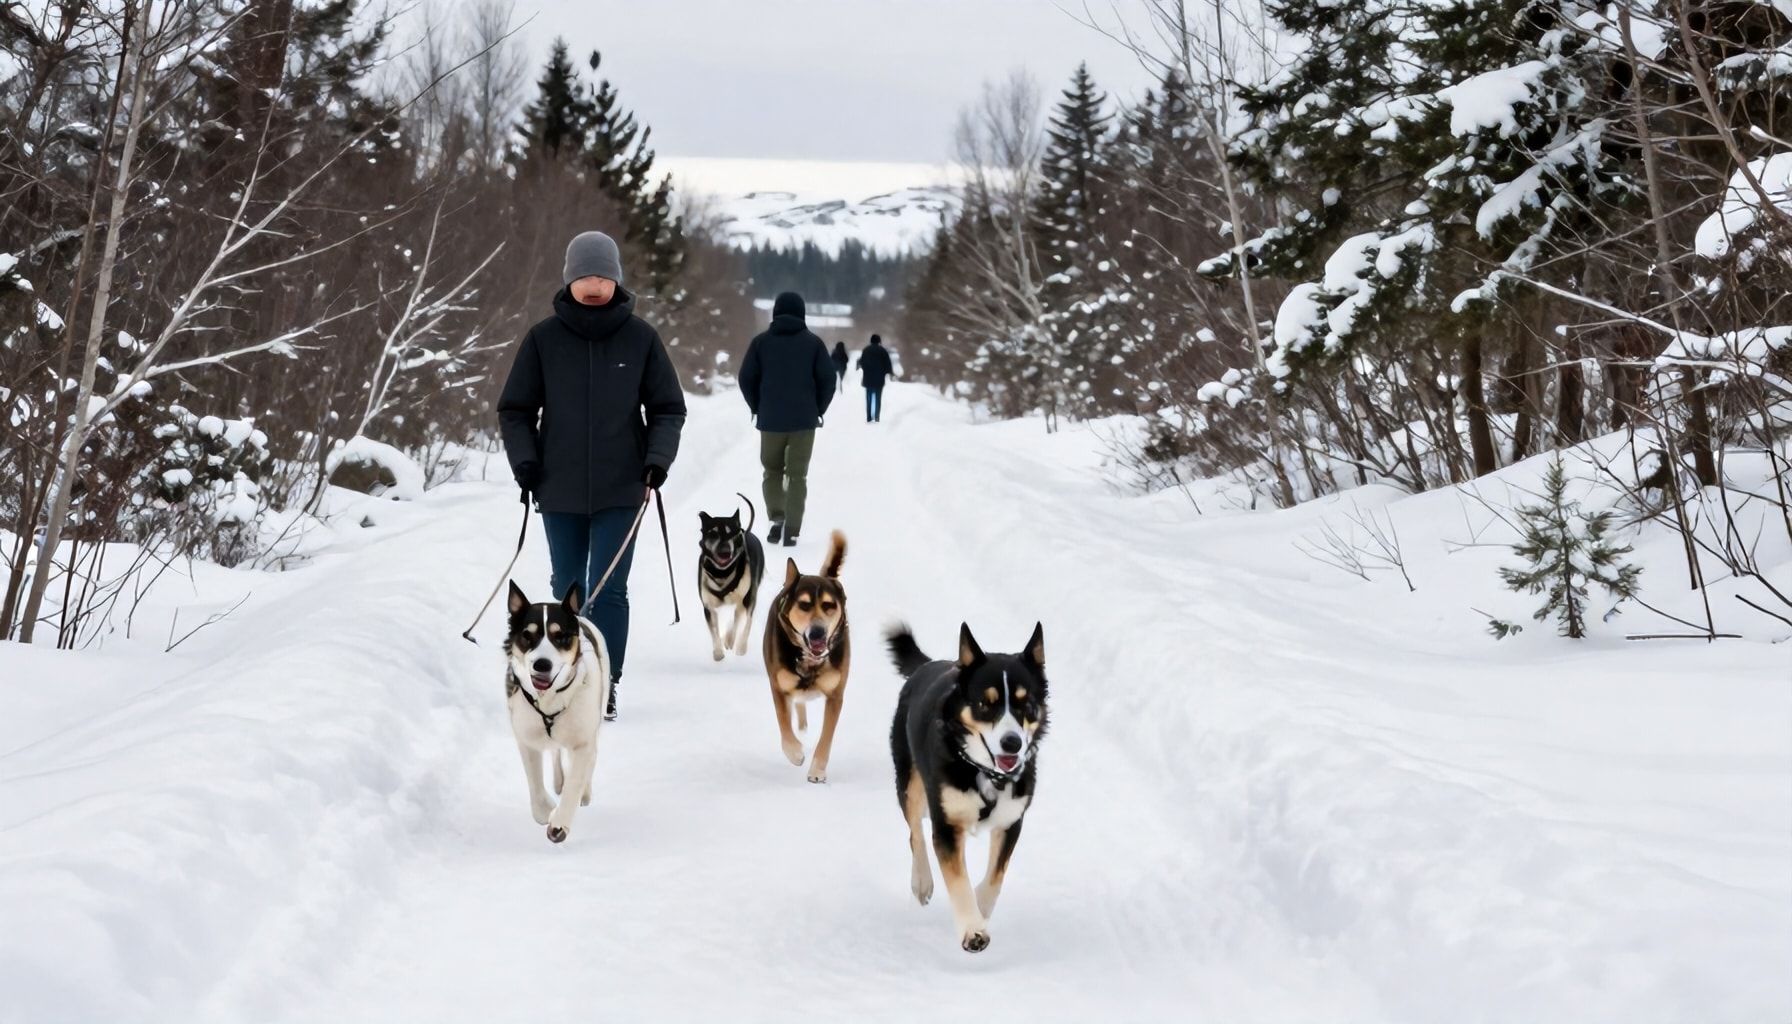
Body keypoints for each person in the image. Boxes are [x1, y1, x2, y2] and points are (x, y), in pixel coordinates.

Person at [498, 230, 687, 721]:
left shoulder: (641, 338)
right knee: (567, 587)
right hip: (556, 488)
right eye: (586, 275)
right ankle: (562, 678)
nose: (595, 285)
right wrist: (526, 462)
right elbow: (515, 409)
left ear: (616, 279)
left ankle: (605, 683)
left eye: (603, 275)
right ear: (570, 279)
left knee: (607, 590)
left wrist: (657, 459)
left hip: (622, 486)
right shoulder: (543, 340)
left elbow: (668, 408)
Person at [738, 291, 834, 546]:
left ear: (775, 313)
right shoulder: (814, 344)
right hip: (804, 421)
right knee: (797, 475)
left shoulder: (760, 343)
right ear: (802, 314)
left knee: (772, 471)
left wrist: (757, 406)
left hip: (771, 421)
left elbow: (746, 378)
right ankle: (792, 529)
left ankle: (776, 518)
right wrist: (818, 409)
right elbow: (828, 380)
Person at [858, 333, 894, 423]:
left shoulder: (866, 350)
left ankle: (869, 416)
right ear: (879, 341)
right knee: (878, 398)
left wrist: (866, 369)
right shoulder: (882, 351)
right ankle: (877, 416)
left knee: (869, 398)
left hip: (868, 378)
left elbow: (862, 362)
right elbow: (887, 364)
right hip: (879, 379)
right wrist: (888, 372)